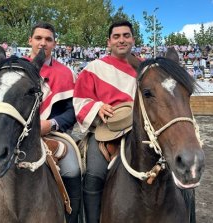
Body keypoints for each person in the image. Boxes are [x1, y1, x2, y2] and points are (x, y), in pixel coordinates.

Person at [0, 22, 81, 223]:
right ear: (30, 41)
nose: (43, 43)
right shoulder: (12, 70)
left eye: (48, 39)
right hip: (11, 131)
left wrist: (51, 123)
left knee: (73, 169)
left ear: (55, 43)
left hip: (51, 133)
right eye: (38, 38)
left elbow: (71, 111)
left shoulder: (66, 73)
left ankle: (72, 218)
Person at [73, 20, 138, 223]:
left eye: (126, 35)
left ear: (133, 39)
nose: (121, 40)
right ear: (109, 42)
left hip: (139, 131)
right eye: (116, 36)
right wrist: (97, 107)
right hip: (104, 132)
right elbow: (80, 99)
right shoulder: (94, 68)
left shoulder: (145, 68)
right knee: (94, 175)